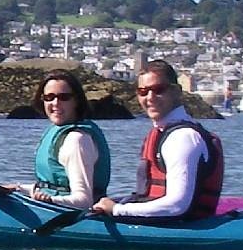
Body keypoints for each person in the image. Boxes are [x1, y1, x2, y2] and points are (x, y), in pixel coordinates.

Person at [92, 60, 224, 220]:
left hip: (183, 227)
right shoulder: (162, 132)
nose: (150, 97)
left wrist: (117, 210)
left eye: (158, 90)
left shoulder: (182, 138)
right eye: (143, 91)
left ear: (176, 92)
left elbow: (177, 205)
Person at [15, 70, 110, 209]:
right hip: (53, 209)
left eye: (64, 97)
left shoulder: (77, 140)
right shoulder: (57, 132)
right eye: (49, 97)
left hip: (73, 217)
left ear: (76, 101)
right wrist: (18, 189)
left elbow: (84, 201)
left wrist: (51, 201)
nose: (56, 103)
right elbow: (52, 186)